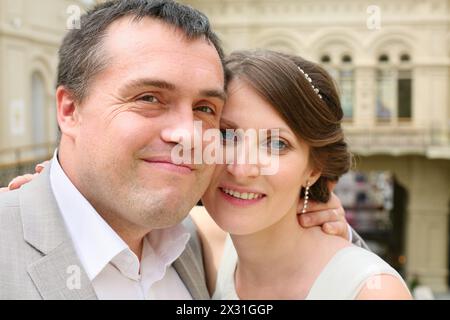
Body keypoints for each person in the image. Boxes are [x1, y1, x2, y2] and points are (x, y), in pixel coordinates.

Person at [0, 0, 358, 300]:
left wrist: (324, 223)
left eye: (205, 109)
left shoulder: (191, 244)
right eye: (149, 98)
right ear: (69, 110)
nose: (187, 135)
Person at [190, 50, 412, 300]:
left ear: (314, 168)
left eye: (276, 144)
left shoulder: (373, 292)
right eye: (225, 136)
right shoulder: (199, 240)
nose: (241, 169)